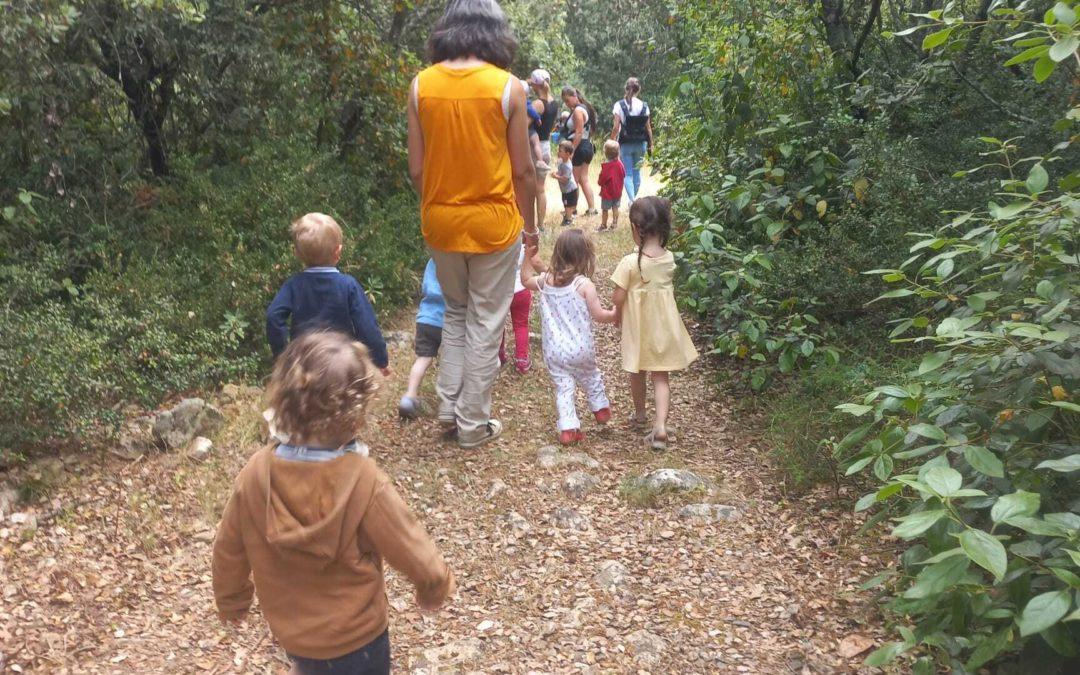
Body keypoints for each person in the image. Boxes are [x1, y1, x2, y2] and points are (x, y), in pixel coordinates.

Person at [212, 331, 456, 675]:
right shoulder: (362, 479)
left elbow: (229, 548)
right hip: (360, 640)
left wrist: (232, 600)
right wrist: (434, 586)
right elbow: (410, 544)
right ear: (356, 417)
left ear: (283, 401)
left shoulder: (256, 475)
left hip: (296, 637)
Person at [407, 0, 538, 448]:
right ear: (494, 32)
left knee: (457, 311)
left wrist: (438, 208)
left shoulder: (421, 85)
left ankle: (448, 407)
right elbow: (523, 172)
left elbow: (417, 171)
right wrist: (531, 230)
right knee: (486, 320)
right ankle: (471, 424)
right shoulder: (508, 88)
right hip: (494, 223)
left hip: (440, 220)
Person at [611, 196, 698, 451]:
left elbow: (617, 297)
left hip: (639, 330)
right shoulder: (669, 259)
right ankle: (660, 426)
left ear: (636, 229)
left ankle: (640, 416)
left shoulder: (629, 263)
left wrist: (617, 308)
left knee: (636, 371)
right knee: (661, 377)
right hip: (663, 328)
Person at [521, 229, 616, 445]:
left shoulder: (545, 281)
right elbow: (600, 315)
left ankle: (568, 428)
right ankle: (600, 407)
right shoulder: (584, 285)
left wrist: (528, 256)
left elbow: (525, 279)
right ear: (585, 257)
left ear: (558, 254)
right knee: (591, 376)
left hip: (554, 351)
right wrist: (616, 314)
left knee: (564, 388)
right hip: (581, 348)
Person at [266, 212, 389, 375]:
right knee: (344, 399)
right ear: (338, 252)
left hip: (305, 362)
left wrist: (283, 356)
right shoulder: (348, 285)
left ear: (297, 253)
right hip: (342, 361)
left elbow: (273, 316)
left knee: (307, 400)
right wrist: (380, 359)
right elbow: (367, 325)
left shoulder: (294, 285)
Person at [400, 259, 444, 419]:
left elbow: (425, 287)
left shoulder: (432, 261)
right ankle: (448, 400)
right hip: (447, 319)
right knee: (451, 360)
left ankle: (409, 396)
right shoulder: (456, 261)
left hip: (425, 318)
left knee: (423, 359)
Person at [609, 77, 653, 204]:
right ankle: (632, 200)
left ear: (626, 88)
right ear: (638, 90)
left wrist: (611, 140)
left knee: (627, 173)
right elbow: (648, 128)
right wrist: (651, 144)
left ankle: (632, 200)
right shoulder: (644, 106)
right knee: (636, 172)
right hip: (641, 144)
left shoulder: (619, 105)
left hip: (625, 144)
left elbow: (616, 127)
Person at [560, 86, 599, 216]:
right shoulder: (584, 108)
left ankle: (571, 210)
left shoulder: (577, 111)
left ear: (574, 96)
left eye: (567, 100)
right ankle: (592, 209)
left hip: (579, 146)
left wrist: (572, 151)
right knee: (584, 179)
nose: (567, 103)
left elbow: (578, 132)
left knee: (573, 181)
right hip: (587, 146)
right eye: (565, 101)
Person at [527, 69, 558, 228]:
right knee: (541, 188)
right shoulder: (553, 102)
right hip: (546, 146)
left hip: (533, 146)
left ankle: (529, 224)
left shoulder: (538, 104)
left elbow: (523, 124)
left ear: (535, 84)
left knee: (530, 188)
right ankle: (541, 225)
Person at [498, 246, 533, 373]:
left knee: (498, 323)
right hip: (521, 288)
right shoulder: (524, 238)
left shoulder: (498, 237)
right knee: (521, 326)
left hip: (499, 288)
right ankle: (522, 360)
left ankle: (499, 355)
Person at [597, 139, 626, 232]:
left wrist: (599, 181)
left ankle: (603, 224)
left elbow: (601, 180)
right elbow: (624, 174)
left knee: (605, 209)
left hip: (607, 193)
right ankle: (614, 224)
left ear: (606, 154)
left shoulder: (606, 167)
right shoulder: (620, 164)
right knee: (615, 207)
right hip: (617, 191)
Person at [552, 140, 578, 227]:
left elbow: (565, 180)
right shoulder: (562, 161)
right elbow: (559, 169)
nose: (558, 152)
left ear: (567, 154)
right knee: (566, 203)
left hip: (569, 190)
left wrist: (556, 177)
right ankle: (568, 216)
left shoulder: (567, 166)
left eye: (560, 151)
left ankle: (569, 219)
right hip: (565, 190)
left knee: (568, 205)